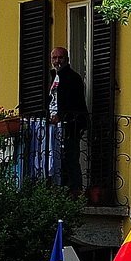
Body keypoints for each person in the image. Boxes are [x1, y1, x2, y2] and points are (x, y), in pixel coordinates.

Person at [49, 47, 88, 193]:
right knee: (54, 158)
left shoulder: (73, 78)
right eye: (54, 58)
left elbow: (74, 102)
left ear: (67, 59)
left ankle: (74, 191)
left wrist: (61, 116)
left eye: (60, 58)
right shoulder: (52, 77)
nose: (57, 61)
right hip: (52, 126)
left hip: (70, 125)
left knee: (70, 158)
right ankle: (58, 189)